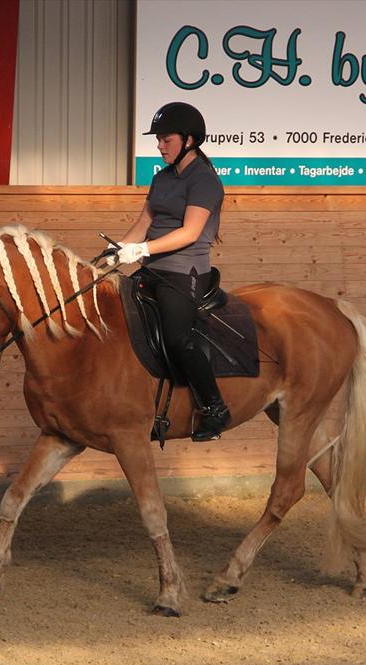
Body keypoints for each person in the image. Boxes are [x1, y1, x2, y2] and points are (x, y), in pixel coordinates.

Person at [114, 101, 230, 442]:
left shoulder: (205, 181)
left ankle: (215, 407)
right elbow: (144, 222)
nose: (160, 145)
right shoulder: (162, 178)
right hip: (151, 268)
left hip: (184, 271)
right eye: (159, 140)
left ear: (189, 141)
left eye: (166, 139)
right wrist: (117, 251)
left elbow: (190, 232)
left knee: (178, 338)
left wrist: (143, 249)